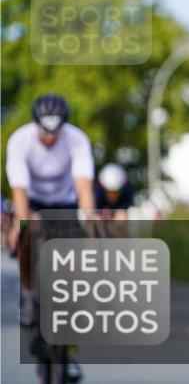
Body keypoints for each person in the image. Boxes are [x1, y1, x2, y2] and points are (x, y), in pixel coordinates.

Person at [6, 93, 94, 382]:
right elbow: (19, 188)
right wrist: (21, 223)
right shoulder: (20, 141)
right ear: (36, 125)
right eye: (45, 132)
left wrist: (89, 223)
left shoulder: (77, 140)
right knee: (25, 238)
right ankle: (28, 298)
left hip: (65, 204)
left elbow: (83, 186)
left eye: (55, 133)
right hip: (32, 202)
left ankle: (69, 349)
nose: (49, 138)